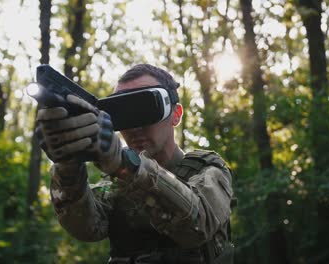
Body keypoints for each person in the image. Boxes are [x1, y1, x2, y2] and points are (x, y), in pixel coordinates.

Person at [36, 64, 234, 264]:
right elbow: (86, 227)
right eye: (122, 115)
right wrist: (68, 164)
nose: (135, 127)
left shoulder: (208, 170)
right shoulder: (116, 185)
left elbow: (198, 225)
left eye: (146, 109)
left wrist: (128, 165)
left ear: (176, 114)